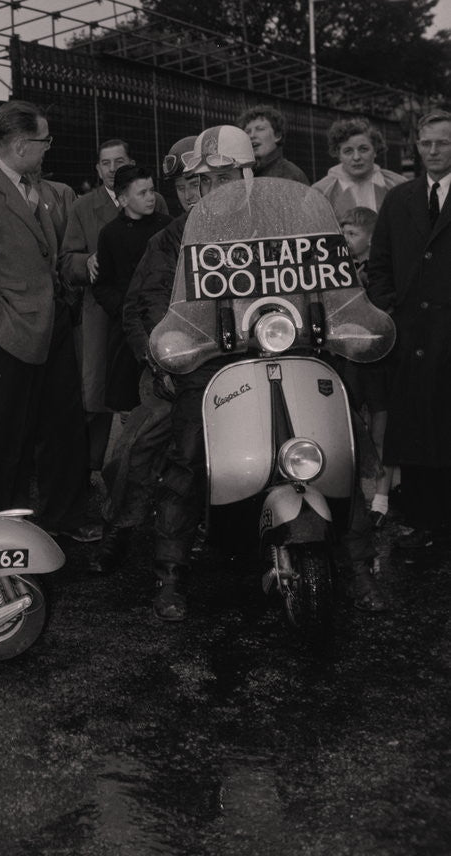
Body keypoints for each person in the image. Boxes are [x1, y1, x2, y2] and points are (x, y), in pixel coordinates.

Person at [145, 125, 383, 621]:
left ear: (246, 173)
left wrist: (345, 317)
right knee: (188, 455)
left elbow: (326, 276)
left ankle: (359, 565)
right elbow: (163, 303)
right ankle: (171, 574)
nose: (208, 190)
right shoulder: (185, 233)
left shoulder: (290, 214)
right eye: (198, 182)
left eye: (220, 177)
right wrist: (172, 342)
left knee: (352, 443)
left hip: (294, 345)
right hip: (215, 359)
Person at [0, 100, 95, 542]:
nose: (49, 149)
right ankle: (5, 530)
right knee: (10, 440)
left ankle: (64, 517)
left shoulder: (32, 183)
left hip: (52, 327)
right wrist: (0, 321)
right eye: (45, 142)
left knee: (63, 429)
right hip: (9, 336)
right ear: (23, 145)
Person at [90, 136, 199, 574]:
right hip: (173, 370)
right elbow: (135, 309)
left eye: (204, 183)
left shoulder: (249, 233)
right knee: (130, 451)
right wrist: (157, 362)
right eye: (185, 186)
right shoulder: (165, 239)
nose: (194, 195)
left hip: (236, 366)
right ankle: (120, 528)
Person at [367, 109, 451, 551]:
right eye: (426, 144)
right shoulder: (401, 200)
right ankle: (419, 515)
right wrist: (389, 310)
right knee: (416, 421)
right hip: (411, 333)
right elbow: (378, 263)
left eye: (442, 143)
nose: (433, 151)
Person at [60, 139, 132, 471]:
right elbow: (66, 261)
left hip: (140, 310)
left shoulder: (150, 198)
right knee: (96, 397)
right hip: (100, 315)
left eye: (119, 161)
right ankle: (86, 472)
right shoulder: (83, 207)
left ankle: (137, 472)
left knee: (143, 395)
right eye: (107, 163)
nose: (114, 168)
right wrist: (84, 262)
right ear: (98, 169)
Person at [92, 165, 172, 414]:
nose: (150, 197)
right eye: (142, 193)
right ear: (123, 199)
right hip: (128, 334)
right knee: (130, 404)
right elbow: (102, 284)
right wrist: (123, 309)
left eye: (151, 190)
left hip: (166, 323)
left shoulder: (166, 226)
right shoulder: (110, 234)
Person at [338, 207, 395, 524]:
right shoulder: (339, 269)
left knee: (381, 430)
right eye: (343, 233)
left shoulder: (381, 271)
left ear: (371, 238)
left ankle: (381, 500)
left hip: (379, 360)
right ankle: (356, 497)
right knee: (351, 427)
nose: (346, 240)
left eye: (353, 234)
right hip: (350, 358)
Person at [312, 117, 406, 216]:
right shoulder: (321, 191)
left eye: (363, 149)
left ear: (375, 151)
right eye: (348, 151)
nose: (356, 157)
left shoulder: (397, 184)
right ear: (338, 155)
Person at [239, 105, 309, 185]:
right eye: (247, 131)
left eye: (260, 129)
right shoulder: (241, 173)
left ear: (277, 135)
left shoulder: (290, 175)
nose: (252, 135)